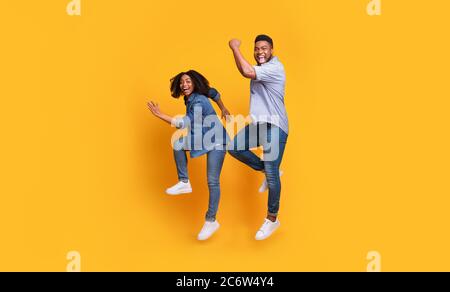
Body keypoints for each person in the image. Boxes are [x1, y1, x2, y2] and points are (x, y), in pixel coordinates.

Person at [147, 70, 230, 240]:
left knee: (212, 181)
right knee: (178, 144)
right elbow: (214, 93)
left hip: (216, 141)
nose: (184, 85)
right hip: (203, 137)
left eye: (188, 82)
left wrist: (160, 114)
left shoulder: (198, 101)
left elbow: (183, 123)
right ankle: (184, 181)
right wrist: (223, 107)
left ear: (194, 83)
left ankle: (211, 220)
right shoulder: (197, 95)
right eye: (182, 82)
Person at [228, 35, 289, 240]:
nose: (259, 51)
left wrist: (235, 47)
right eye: (256, 49)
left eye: (264, 48)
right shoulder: (260, 68)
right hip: (259, 125)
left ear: (272, 50)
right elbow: (245, 69)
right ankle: (267, 168)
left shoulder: (275, 68)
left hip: (276, 126)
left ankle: (272, 219)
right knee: (234, 147)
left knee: (272, 174)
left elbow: (246, 71)